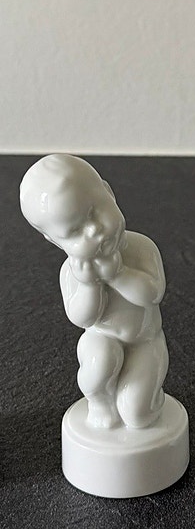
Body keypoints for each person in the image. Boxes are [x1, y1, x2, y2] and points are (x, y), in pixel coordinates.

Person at [20, 154, 168, 429]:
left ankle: (140, 402)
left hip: (145, 342)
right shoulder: (72, 270)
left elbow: (152, 294)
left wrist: (119, 274)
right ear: (54, 240)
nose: (94, 231)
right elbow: (83, 319)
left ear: (109, 193)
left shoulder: (142, 247)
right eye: (74, 231)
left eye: (94, 212)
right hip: (100, 338)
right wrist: (89, 285)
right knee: (98, 370)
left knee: (138, 416)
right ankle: (99, 401)